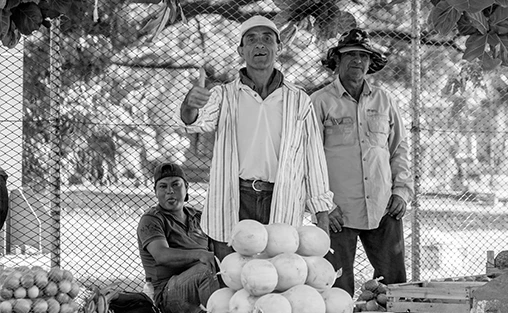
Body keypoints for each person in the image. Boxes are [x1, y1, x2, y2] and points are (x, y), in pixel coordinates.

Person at [179, 15, 334, 262]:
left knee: (277, 280)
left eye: (267, 39)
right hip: (235, 197)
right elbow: (195, 121)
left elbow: (313, 159)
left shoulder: (298, 100)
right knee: (232, 279)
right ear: (241, 50)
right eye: (251, 39)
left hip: (281, 198)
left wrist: (321, 215)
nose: (259, 45)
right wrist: (190, 104)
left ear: (279, 48)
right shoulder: (224, 95)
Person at [311, 28, 414, 296]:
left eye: (363, 55)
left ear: (370, 62)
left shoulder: (385, 100)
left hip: (383, 206)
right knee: (336, 287)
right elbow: (308, 159)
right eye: (350, 55)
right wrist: (323, 205)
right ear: (337, 60)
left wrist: (401, 191)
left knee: (394, 285)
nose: (357, 60)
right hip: (337, 212)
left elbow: (399, 148)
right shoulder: (319, 102)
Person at [136, 162, 219, 313]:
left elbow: (215, 254)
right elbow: (161, 255)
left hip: (199, 286)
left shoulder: (200, 217)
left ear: (186, 187)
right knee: (206, 270)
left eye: (176, 184)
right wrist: (199, 254)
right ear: (155, 191)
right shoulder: (152, 219)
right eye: (163, 186)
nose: (170, 191)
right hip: (167, 295)